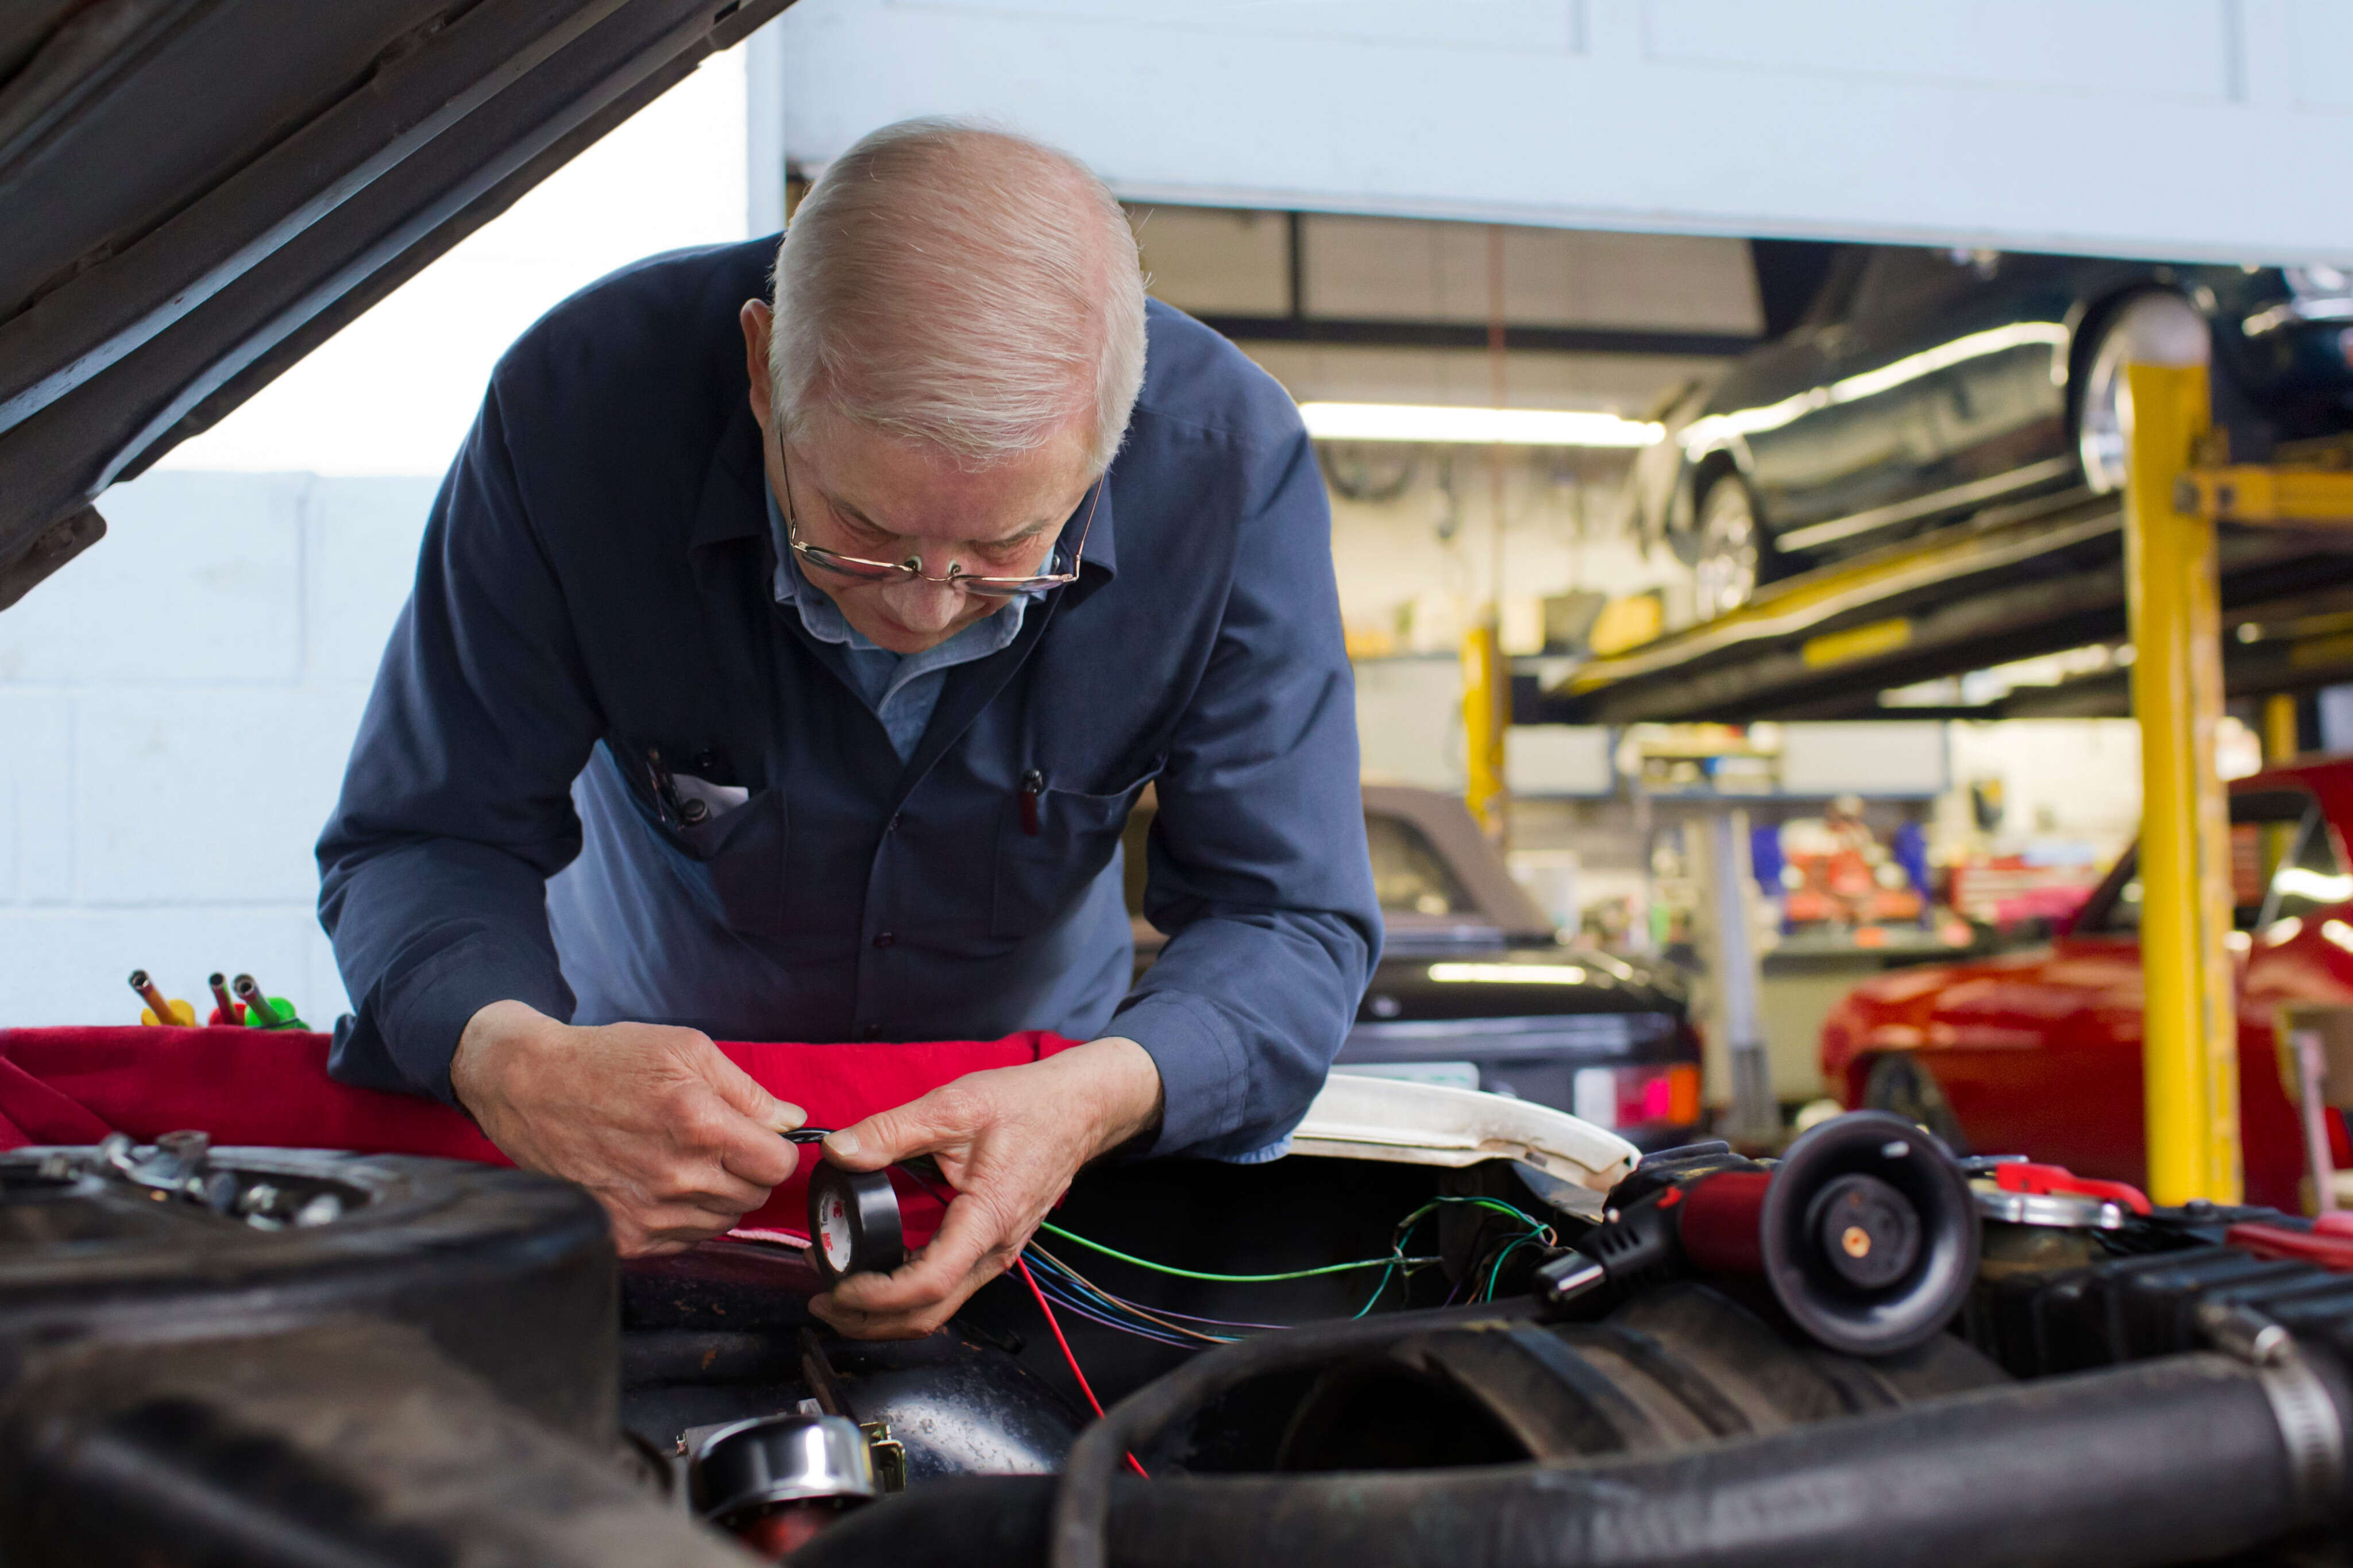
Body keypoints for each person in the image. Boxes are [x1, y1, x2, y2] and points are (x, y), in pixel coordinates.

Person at [316, 119, 1380, 1339]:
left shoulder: (1226, 467)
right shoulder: (580, 412)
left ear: (1113, 439)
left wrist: (1097, 1099)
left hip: (1035, 1130)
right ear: (762, 371)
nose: (923, 604)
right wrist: (512, 1059)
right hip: (639, 1133)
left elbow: (1287, 914)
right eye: (857, 533)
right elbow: (423, 834)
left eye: (1002, 556)